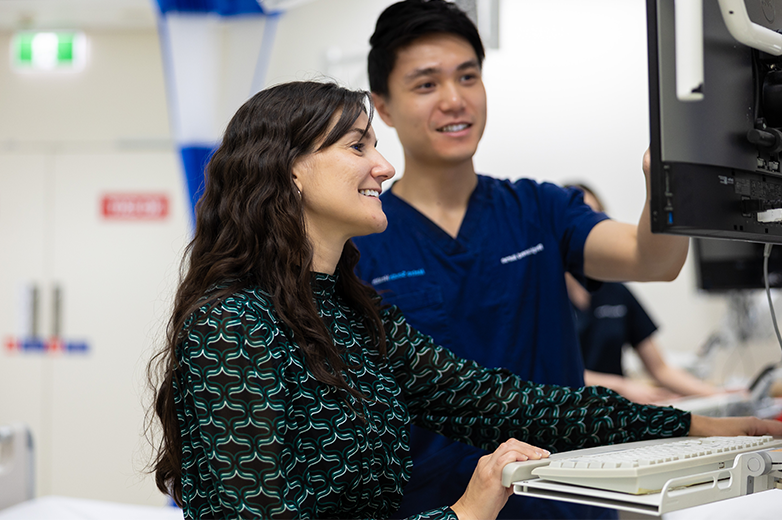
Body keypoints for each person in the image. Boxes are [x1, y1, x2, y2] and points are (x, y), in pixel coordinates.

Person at [145, 80, 782, 520]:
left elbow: (508, 405)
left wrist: (710, 427)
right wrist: (463, 512)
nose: (384, 166)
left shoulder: (353, 316)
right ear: (290, 170)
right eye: (358, 146)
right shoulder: (233, 325)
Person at [350, 1, 688, 518]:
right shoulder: (362, 238)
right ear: (385, 107)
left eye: (468, 76)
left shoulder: (539, 209)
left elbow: (652, 259)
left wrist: (670, 182)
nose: (454, 99)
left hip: (571, 501)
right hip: (444, 507)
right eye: (426, 84)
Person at [564, 183, 722, 405]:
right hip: (568, 413)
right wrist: (621, 386)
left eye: (594, 218)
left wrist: (720, 396)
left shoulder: (616, 291)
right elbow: (549, 373)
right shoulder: (542, 298)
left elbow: (660, 369)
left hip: (615, 411)